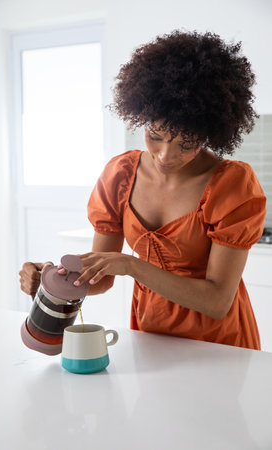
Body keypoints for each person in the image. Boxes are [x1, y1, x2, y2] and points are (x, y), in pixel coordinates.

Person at [19, 30, 266, 350]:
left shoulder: (231, 184)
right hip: (149, 334)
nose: (165, 155)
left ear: (209, 133)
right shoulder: (120, 175)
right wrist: (55, 281)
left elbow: (217, 301)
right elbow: (103, 277)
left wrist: (131, 265)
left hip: (220, 342)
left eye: (186, 145)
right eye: (156, 135)